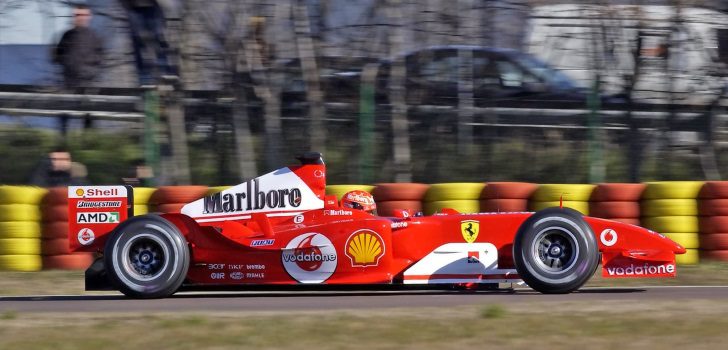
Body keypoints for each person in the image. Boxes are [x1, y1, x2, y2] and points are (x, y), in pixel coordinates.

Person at [119, 0, 177, 85]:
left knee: (158, 37)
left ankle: (164, 69)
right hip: (134, 8)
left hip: (152, 7)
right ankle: (144, 75)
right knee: (138, 41)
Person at [53, 4, 103, 89]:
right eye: (77, 15)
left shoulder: (94, 36)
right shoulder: (67, 35)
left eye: (84, 15)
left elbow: (100, 58)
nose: (81, 18)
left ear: (89, 17)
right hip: (70, 84)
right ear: (74, 17)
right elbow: (58, 56)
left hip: (88, 85)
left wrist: (90, 72)